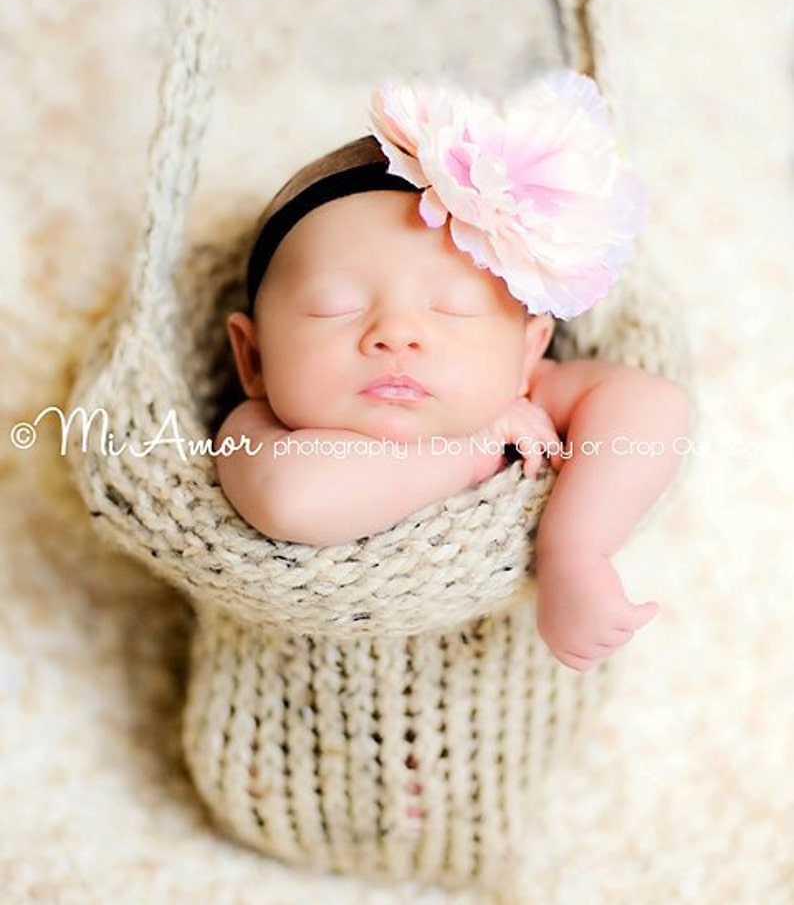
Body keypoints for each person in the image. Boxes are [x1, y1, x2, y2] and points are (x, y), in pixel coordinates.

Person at [215, 72, 689, 674]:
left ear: (527, 352)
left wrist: (575, 548)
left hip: (502, 704)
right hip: (294, 723)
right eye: (337, 306)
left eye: (452, 309)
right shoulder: (257, 429)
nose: (396, 334)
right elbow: (293, 498)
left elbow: (654, 409)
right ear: (253, 359)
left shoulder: (524, 391)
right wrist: (471, 449)